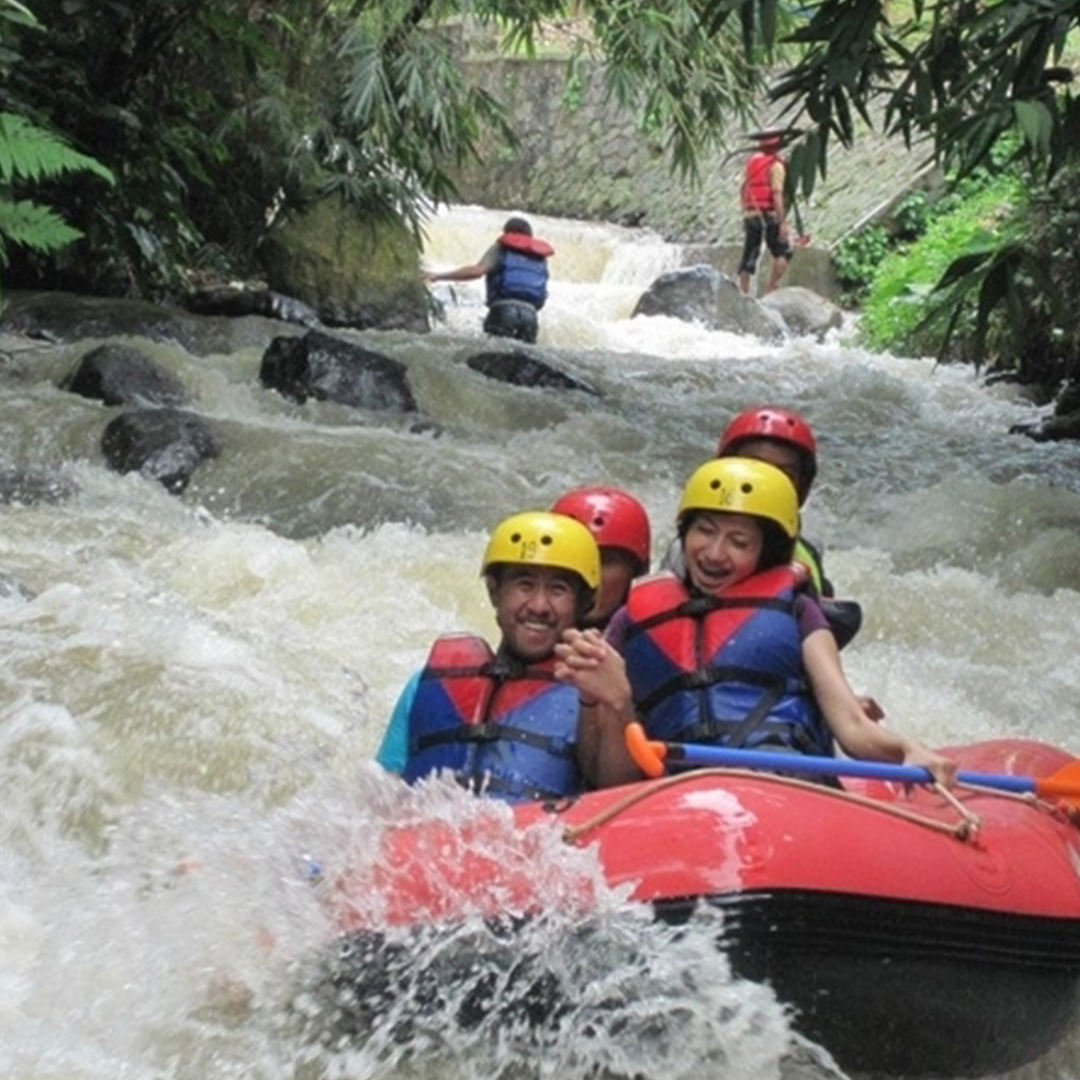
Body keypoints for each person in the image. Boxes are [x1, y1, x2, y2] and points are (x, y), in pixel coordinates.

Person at [555, 458, 955, 791]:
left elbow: (851, 726)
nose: (713, 553)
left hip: (786, 783)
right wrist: (617, 703)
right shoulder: (631, 622)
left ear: (766, 552)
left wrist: (907, 749)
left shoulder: (798, 609)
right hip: (680, 795)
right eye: (704, 531)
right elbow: (610, 781)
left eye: (739, 542)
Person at [374, 510, 601, 802]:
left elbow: (618, 789)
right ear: (495, 592)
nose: (539, 605)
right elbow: (382, 792)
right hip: (433, 840)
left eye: (558, 589)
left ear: (584, 603)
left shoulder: (593, 692)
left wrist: (611, 702)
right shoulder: (428, 684)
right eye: (524, 585)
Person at [423, 215, 554, 344]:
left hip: (503, 311)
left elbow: (477, 271)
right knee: (526, 361)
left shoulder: (501, 248)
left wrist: (438, 276)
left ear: (507, 233)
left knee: (494, 357)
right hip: (530, 316)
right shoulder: (539, 257)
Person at [551, 486, 652, 631]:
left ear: (636, 572)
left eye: (604, 561)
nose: (588, 575)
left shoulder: (655, 643)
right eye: (575, 557)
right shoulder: (518, 628)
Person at [737, 134, 793, 296]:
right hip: (768, 214)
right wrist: (782, 222)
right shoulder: (776, 166)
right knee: (782, 251)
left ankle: (743, 294)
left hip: (750, 214)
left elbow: (743, 188)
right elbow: (776, 194)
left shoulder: (751, 163)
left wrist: (744, 209)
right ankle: (770, 290)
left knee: (749, 254)